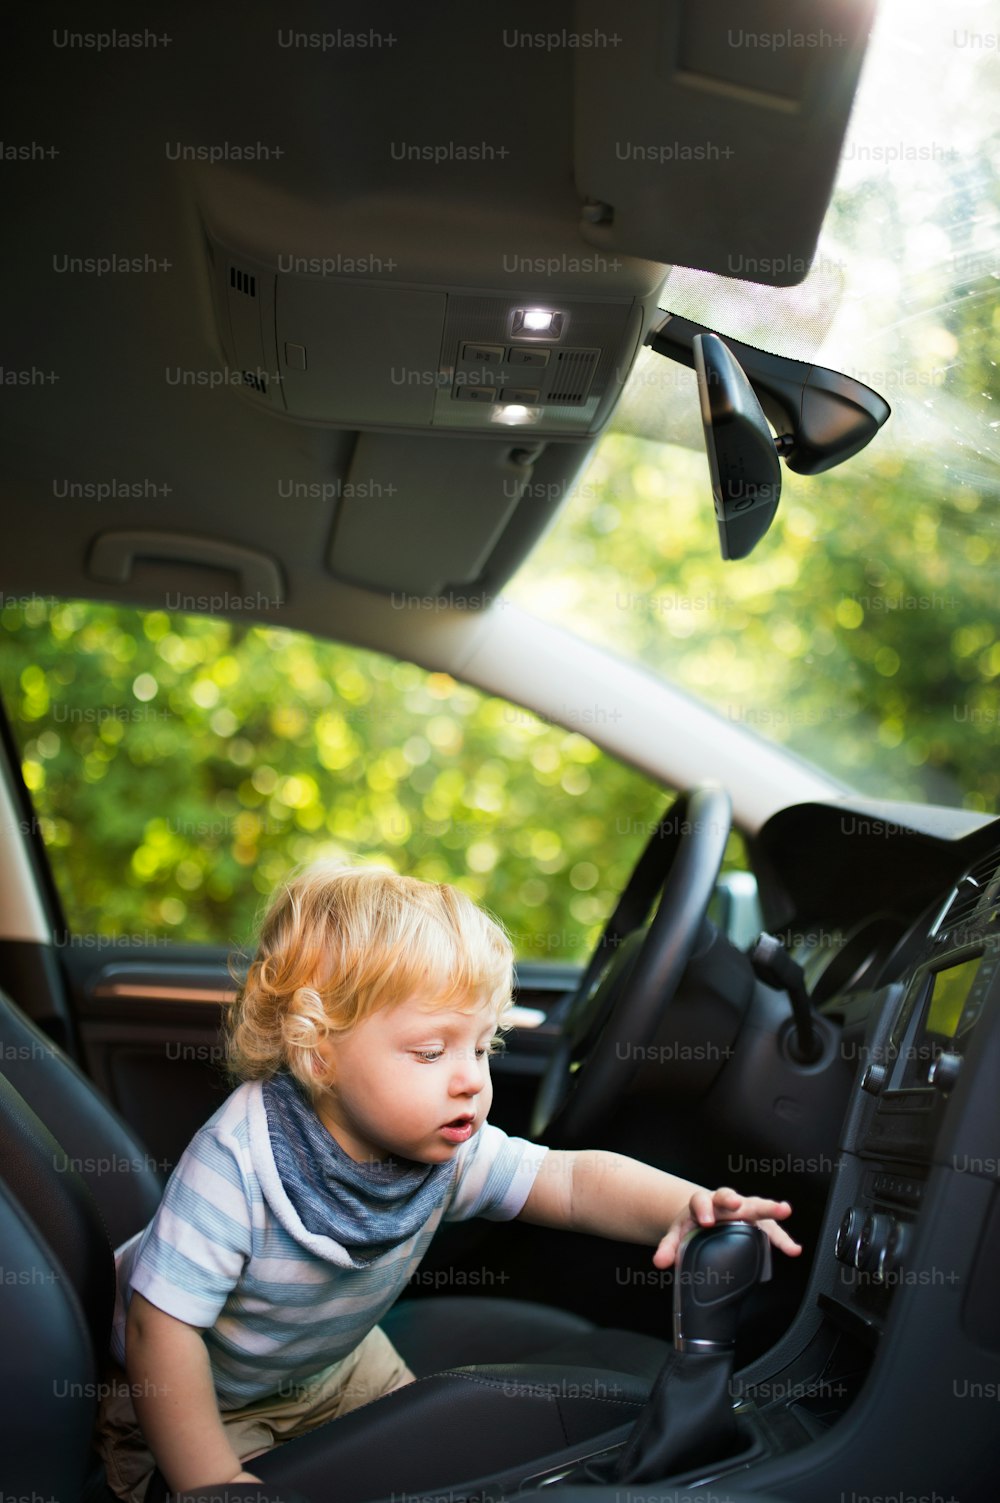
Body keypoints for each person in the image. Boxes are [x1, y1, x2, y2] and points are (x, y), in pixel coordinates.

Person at [94, 862, 801, 1499]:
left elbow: (570, 1182)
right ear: (317, 1051)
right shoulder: (238, 1163)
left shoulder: (443, 1144)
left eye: (483, 1044)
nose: (471, 1079)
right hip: (207, 1397)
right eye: (431, 1050)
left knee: (423, 1461)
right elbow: (163, 1328)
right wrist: (209, 1478)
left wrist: (686, 1205)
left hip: (332, 1363)